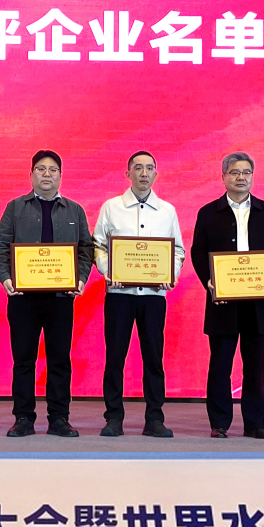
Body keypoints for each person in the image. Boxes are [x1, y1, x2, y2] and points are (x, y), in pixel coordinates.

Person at [0, 150, 94, 438]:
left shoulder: (75, 210)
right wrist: (6, 277)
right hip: (23, 298)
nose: (46, 174)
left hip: (61, 298)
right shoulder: (15, 207)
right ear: (31, 174)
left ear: (60, 176)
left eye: (52, 170)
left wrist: (81, 279)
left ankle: (59, 418)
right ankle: (23, 418)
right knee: (23, 360)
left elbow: (86, 249)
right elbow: (1, 244)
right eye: (40, 169)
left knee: (59, 360)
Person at [190, 151, 264, 440]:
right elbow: (198, 251)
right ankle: (219, 422)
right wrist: (210, 282)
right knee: (221, 362)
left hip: (258, 300)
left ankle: (256, 423)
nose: (241, 177)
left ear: (252, 177)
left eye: (246, 172)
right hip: (222, 300)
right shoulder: (209, 213)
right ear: (223, 177)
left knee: (255, 364)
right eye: (234, 172)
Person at [92, 151, 184, 438]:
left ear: (156, 174)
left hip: (154, 297)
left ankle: (154, 419)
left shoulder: (167, 211)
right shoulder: (111, 207)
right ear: (127, 174)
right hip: (119, 294)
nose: (144, 173)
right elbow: (98, 246)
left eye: (150, 168)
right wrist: (110, 271)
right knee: (115, 358)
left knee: (153, 359)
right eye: (138, 168)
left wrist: (170, 275)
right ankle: (113, 418)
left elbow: (177, 251)